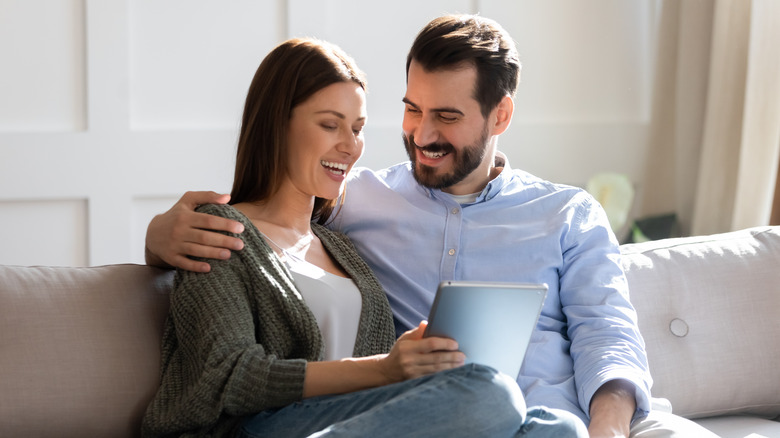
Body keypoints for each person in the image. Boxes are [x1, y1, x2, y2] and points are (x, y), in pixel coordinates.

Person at [145, 15, 719, 438]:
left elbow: (608, 335)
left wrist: (609, 431)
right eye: (412, 109)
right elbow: (259, 240)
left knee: (557, 431)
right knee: (488, 389)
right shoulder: (352, 202)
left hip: (492, 415)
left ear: (501, 115)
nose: (421, 134)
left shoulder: (565, 214)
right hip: (392, 410)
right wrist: (157, 240)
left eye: (446, 116)